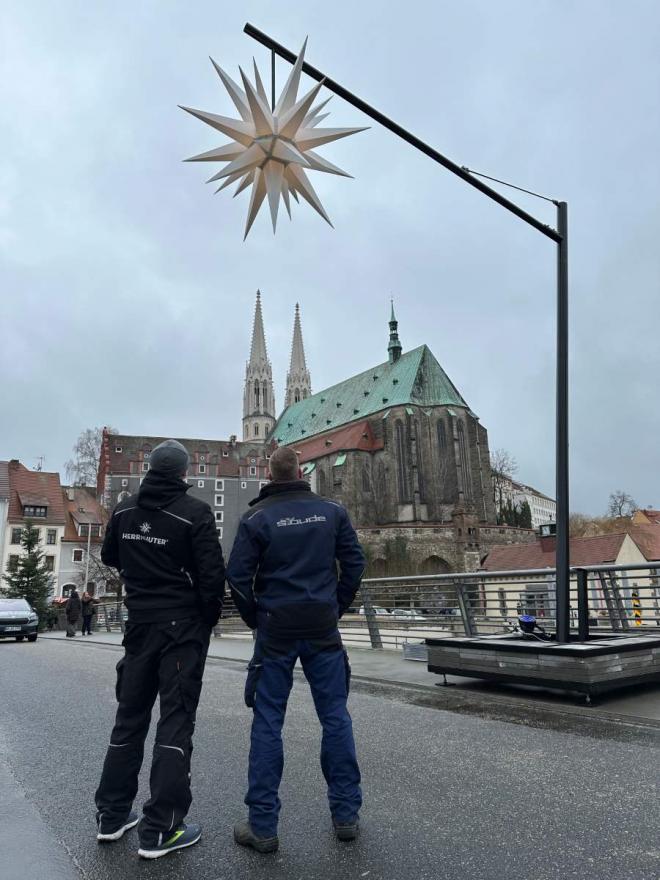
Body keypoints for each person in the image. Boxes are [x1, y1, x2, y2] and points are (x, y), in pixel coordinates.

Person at [226, 445, 366, 854]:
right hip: (322, 628)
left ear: (269, 474)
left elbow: (236, 577)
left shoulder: (255, 517)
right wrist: (335, 606)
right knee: (335, 717)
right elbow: (355, 565)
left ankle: (263, 826)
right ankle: (345, 816)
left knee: (268, 721)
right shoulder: (332, 511)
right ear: (301, 470)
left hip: (276, 630)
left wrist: (257, 618)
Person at [94, 439, 225, 860]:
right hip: (181, 629)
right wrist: (204, 621)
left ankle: (112, 816)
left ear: (150, 469)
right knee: (176, 719)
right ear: (184, 473)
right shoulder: (195, 514)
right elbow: (212, 580)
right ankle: (162, 828)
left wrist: (143, 567)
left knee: (129, 718)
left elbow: (111, 555)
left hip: (139, 624)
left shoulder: (124, 509)